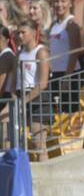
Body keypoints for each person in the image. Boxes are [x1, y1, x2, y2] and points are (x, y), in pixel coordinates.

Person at [16, 20, 50, 161]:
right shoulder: (19, 52)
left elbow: (43, 83)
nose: (20, 35)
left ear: (33, 33)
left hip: (37, 97)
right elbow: (16, 79)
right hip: (21, 94)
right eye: (18, 32)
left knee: (39, 142)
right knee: (16, 139)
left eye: (23, 32)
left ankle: (47, 176)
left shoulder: (40, 51)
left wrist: (25, 100)